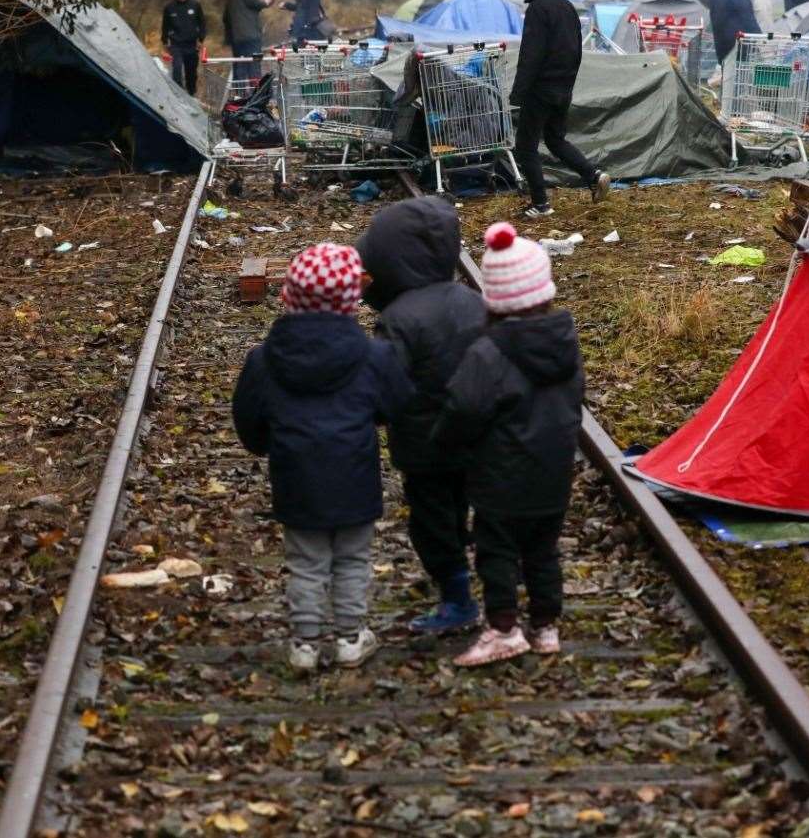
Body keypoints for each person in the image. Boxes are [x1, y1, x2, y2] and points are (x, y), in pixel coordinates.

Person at [232, 243, 412, 673]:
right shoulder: (373, 356)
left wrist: (265, 445)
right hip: (354, 478)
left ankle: (304, 644)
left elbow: (249, 418)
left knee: (306, 563)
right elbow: (397, 404)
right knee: (352, 559)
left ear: (289, 295)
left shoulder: (265, 359)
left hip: (296, 479)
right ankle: (350, 638)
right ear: (352, 299)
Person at [433, 223, 585, 667]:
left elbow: (463, 409)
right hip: (553, 473)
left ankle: (503, 627)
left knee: (497, 551)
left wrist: (444, 443)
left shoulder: (488, 353)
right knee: (543, 549)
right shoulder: (565, 343)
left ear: (495, 299)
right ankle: (546, 626)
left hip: (500, 476)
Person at [356, 197, 488, 636]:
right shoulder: (474, 301)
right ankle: (478, 566)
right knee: (464, 500)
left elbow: (385, 384)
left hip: (424, 446)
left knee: (431, 520)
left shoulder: (397, 318)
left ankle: (457, 598)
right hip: (477, 436)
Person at [510, 0, 611, 219]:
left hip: (539, 90)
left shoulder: (538, 10)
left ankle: (541, 204)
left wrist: (518, 92)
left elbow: (530, 56)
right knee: (555, 140)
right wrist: (566, 83)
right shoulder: (567, 8)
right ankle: (594, 175)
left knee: (525, 147)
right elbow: (576, 50)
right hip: (563, 88)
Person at [221, 0, 273, 80]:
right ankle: (256, 95)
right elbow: (253, 3)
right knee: (254, 64)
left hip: (236, 36)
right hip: (250, 34)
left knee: (239, 65)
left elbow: (225, 16)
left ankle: (239, 95)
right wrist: (266, 2)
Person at [160, 0, 204, 96]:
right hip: (176, 45)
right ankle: (179, 95)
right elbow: (165, 26)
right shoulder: (169, 7)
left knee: (191, 74)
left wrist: (201, 39)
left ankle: (191, 94)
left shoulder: (195, 5)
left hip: (191, 44)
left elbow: (202, 24)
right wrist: (164, 41)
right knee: (177, 70)